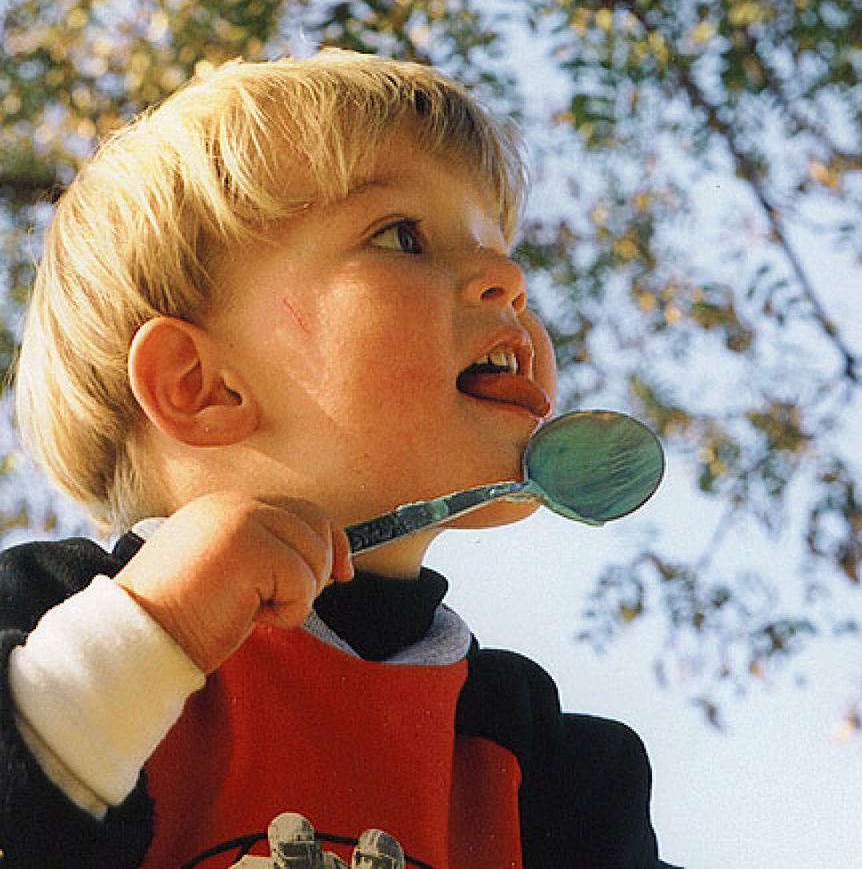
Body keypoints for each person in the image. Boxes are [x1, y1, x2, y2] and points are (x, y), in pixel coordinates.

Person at [0, 50, 680, 868]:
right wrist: (151, 634)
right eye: (403, 237)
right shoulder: (48, 623)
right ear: (203, 384)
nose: (508, 281)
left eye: (503, 252)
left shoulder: (541, 760)